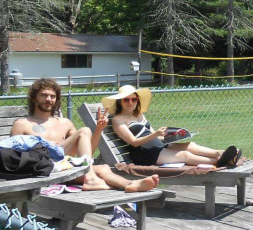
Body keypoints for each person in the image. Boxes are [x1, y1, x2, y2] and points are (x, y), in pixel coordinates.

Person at [10, 78, 159, 192]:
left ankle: (131, 184)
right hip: (40, 167)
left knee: (104, 168)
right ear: (34, 97)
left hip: (62, 167)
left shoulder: (65, 122)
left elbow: (87, 154)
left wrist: (99, 129)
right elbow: (13, 156)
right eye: (44, 95)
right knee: (84, 132)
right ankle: (91, 178)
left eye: (52, 96)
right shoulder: (22, 124)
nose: (48, 99)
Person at [104, 85, 240, 167]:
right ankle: (220, 162)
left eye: (133, 99)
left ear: (137, 100)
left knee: (190, 145)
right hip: (145, 154)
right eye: (126, 99)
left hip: (158, 146)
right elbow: (133, 142)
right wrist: (156, 134)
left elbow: (155, 135)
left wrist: (171, 135)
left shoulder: (139, 114)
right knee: (184, 155)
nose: (130, 102)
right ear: (120, 102)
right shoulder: (118, 120)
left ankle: (220, 154)